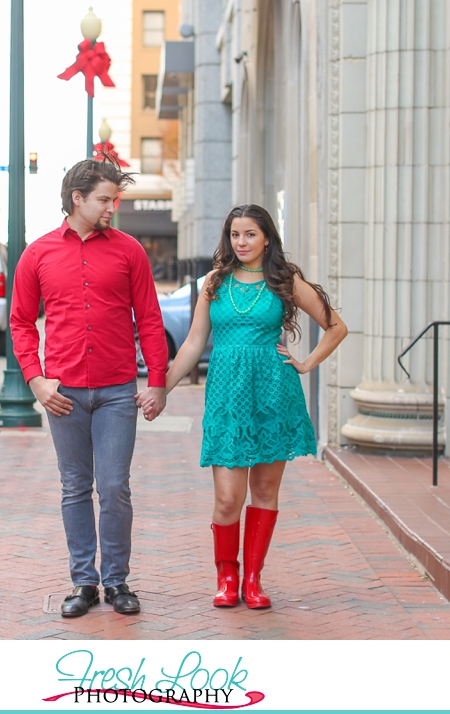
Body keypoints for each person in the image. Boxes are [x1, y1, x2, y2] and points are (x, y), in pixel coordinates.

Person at [158, 204, 347, 609]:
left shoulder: (284, 279)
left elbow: (336, 327)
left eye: (250, 234)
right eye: (235, 234)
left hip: (273, 392)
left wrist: (306, 363)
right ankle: (227, 577)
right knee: (228, 497)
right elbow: (193, 343)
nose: (241, 242)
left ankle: (253, 580)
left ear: (266, 239)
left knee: (264, 489)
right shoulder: (214, 282)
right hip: (227, 395)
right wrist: (162, 390)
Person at [9, 155, 169, 618]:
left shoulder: (129, 251)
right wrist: (35, 380)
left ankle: (117, 580)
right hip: (63, 394)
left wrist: (156, 382)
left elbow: (150, 320)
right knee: (75, 486)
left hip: (118, 389)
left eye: (114, 198)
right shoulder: (37, 254)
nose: (111, 207)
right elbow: (20, 322)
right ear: (76, 198)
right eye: (104, 198)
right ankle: (84, 581)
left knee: (115, 486)